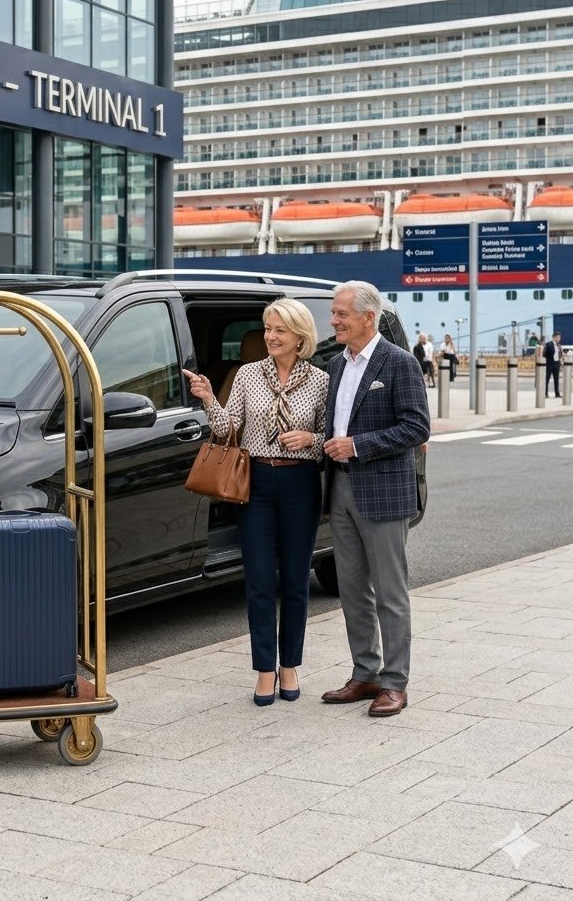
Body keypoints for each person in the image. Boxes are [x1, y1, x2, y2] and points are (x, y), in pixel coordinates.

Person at [184, 299, 328, 706]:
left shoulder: (321, 381)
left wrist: (309, 439)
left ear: (300, 337)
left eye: (280, 330)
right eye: (268, 329)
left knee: (296, 580)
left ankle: (290, 666)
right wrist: (209, 398)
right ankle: (265, 669)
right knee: (260, 579)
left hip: (301, 482)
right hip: (257, 482)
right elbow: (228, 429)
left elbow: (328, 437)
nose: (270, 337)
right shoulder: (248, 374)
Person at [321, 281, 430, 717]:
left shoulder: (400, 362)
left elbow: (416, 427)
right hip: (340, 488)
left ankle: (395, 682)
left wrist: (357, 445)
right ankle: (365, 673)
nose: (333, 320)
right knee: (351, 590)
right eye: (334, 313)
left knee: (390, 592)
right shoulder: (335, 364)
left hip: (383, 491)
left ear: (368, 317)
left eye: (341, 313)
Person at [544, 332, 562, 398]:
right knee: (547, 379)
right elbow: (544, 354)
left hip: (557, 364)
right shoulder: (548, 344)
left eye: (559, 337)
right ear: (554, 337)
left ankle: (557, 394)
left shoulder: (559, 345)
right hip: (549, 364)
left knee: (556, 380)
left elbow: (560, 354)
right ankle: (545, 393)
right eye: (557, 337)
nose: (559, 339)